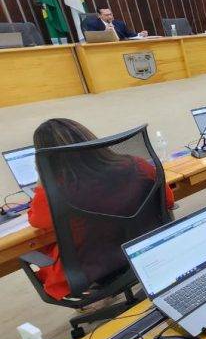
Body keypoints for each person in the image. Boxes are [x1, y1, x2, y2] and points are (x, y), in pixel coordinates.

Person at [27, 118, 175, 300]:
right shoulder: (138, 165)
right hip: (144, 251)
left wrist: (44, 177)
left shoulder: (55, 191)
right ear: (91, 140)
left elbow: (36, 220)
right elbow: (168, 200)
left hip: (94, 269)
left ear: (46, 158)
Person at [82, 7, 147, 39]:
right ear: (99, 16)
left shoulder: (119, 23)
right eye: (106, 15)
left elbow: (129, 34)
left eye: (111, 14)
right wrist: (105, 32)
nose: (110, 17)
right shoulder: (92, 24)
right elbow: (92, 39)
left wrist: (140, 34)